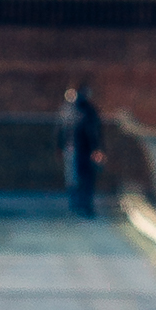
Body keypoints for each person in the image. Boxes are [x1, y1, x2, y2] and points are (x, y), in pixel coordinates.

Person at [58, 84, 104, 217]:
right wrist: (97, 148)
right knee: (82, 179)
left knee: (77, 179)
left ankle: (80, 206)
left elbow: (61, 131)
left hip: (77, 150)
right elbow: (94, 132)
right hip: (81, 150)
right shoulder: (86, 111)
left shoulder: (71, 111)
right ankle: (82, 206)